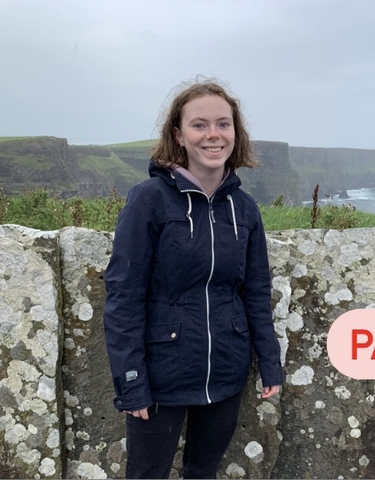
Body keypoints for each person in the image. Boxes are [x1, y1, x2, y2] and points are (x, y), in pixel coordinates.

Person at [103, 78, 283, 479]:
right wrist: (130, 380)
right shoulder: (148, 199)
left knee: (203, 472)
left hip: (226, 371)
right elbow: (123, 296)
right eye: (200, 125)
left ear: (236, 132)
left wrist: (269, 361)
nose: (213, 135)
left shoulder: (244, 208)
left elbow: (255, 291)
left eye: (224, 124)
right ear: (178, 135)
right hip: (162, 374)